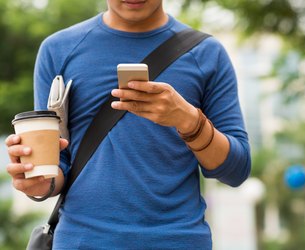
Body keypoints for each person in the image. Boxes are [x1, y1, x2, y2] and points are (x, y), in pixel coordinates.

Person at [5, 0, 251, 249]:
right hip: (83, 241)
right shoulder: (58, 50)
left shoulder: (207, 54)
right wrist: (38, 182)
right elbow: (59, 164)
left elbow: (236, 170)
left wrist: (190, 121)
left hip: (178, 240)